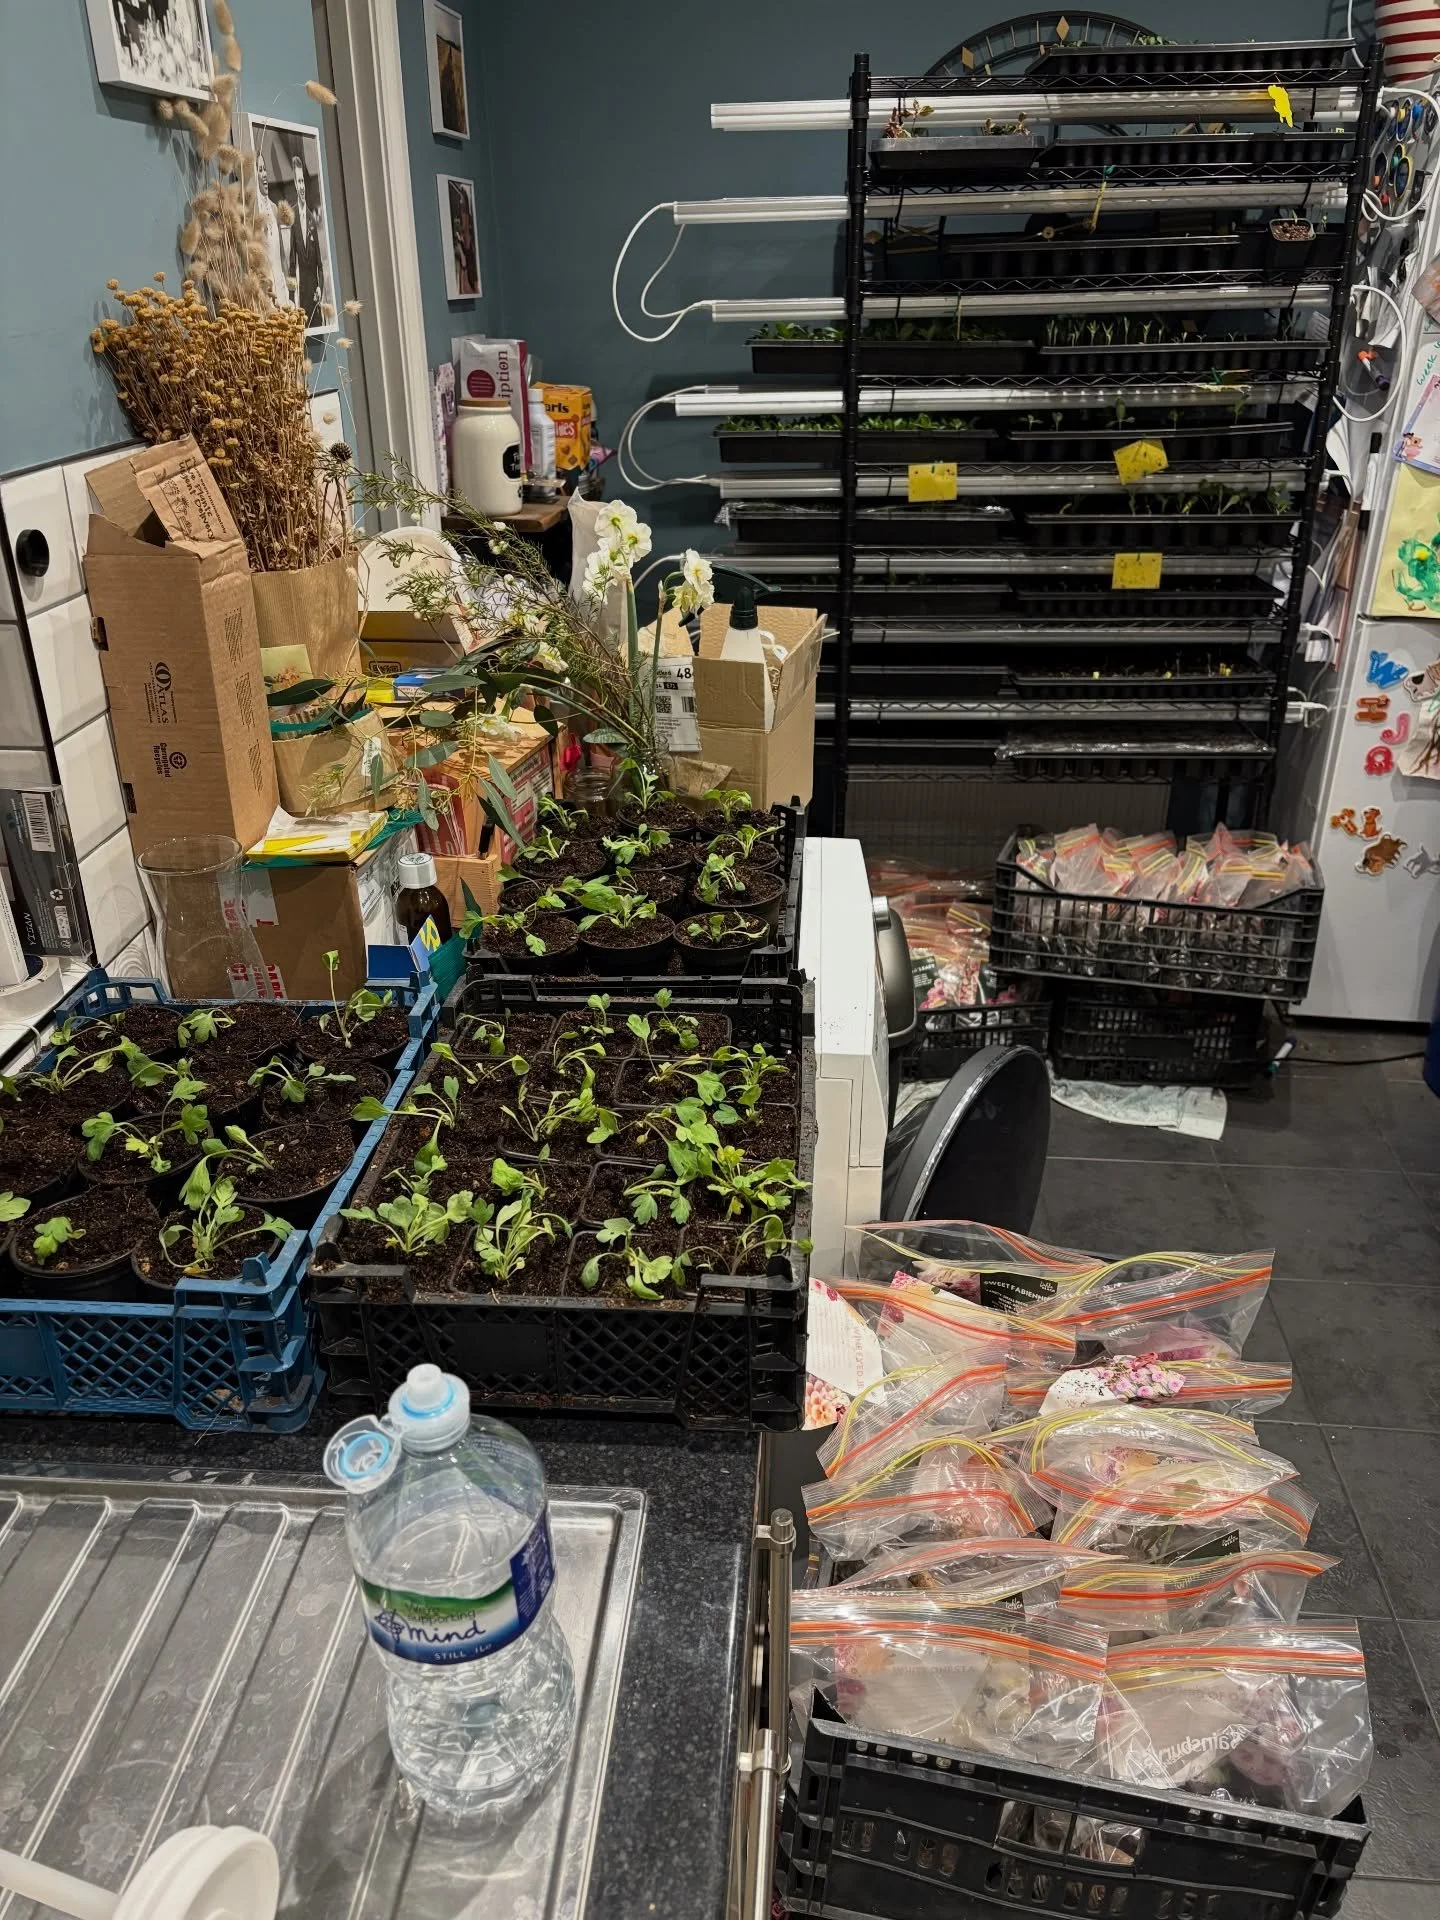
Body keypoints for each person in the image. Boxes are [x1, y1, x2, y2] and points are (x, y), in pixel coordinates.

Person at [287, 144, 327, 328]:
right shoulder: (292, 217)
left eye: (303, 182)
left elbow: (319, 261)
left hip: (314, 293)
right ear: (294, 184)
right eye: (298, 182)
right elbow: (291, 264)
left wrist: (321, 286)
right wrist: (290, 298)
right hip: (301, 296)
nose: (301, 187)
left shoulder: (311, 218)